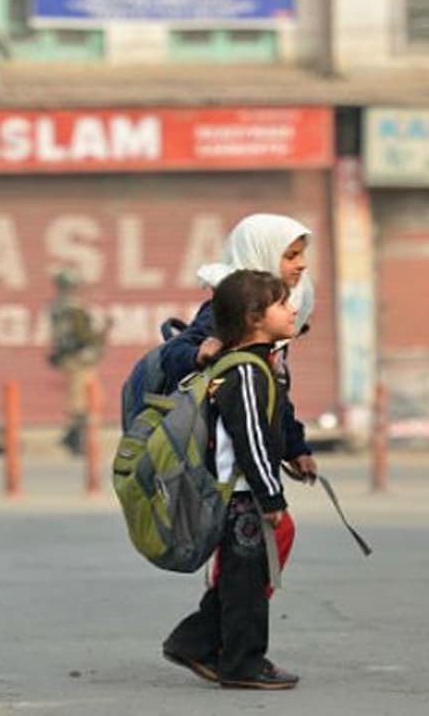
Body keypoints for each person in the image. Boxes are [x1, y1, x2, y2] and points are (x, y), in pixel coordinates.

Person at [162, 269, 303, 690]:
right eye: (282, 304)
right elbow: (251, 441)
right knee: (246, 586)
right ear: (254, 315)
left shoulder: (255, 366)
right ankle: (242, 663)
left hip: (243, 493)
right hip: (241, 497)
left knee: (244, 580)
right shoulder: (244, 373)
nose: (293, 309)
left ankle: (195, 640)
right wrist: (271, 497)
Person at [161, 214, 319, 483]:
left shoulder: (274, 313)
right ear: (262, 254)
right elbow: (171, 355)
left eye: (302, 255)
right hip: (217, 474)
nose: (302, 264)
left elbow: (273, 391)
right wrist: (198, 354)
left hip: (249, 471)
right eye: (291, 256)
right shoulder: (231, 309)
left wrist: (295, 448)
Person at [47, 269, 106, 455]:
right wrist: (99, 336)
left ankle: (75, 439)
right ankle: (74, 440)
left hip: (71, 358)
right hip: (79, 358)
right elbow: (83, 335)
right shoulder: (73, 309)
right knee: (84, 402)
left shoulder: (56, 307)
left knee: (82, 400)